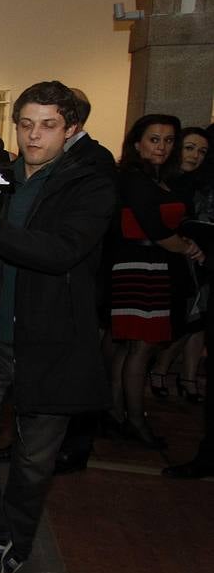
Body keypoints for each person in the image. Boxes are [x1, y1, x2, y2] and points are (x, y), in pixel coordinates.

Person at [0, 80, 115, 573]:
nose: (34, 136)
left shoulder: (90, 179)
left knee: (33, 460)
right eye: (25, 125)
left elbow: (61, 250)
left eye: (47, 126)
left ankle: (13, 545)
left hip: (52, 343)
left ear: (72, 129)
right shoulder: (1, 177)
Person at [108, 114, 203, 448]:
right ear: (137, 143)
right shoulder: (134, 178)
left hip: (155, 266)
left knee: (131, 346)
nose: (162, 146)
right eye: (154, 139)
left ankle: (118, 414)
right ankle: (134, 420)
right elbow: (156, 229)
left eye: (168, 140)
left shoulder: (166, 179)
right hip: (138, 266)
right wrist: (189, 247)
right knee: (140, 346)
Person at [51, 88, 118, 475]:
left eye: (49, 122)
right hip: (50, 280)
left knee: (77, 365)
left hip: (78, 277)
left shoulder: (94, 160)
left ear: (71, 122)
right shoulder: (48, 159)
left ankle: (73, 447)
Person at [149, 126, 212, 403]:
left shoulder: (197, 182)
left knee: (195, 321)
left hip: (194, 260)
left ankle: (184, 378)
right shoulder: (163, 180)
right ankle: (159, 372)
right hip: (163, 261)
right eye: (189, 148)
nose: (195, 155)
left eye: (202, 151)